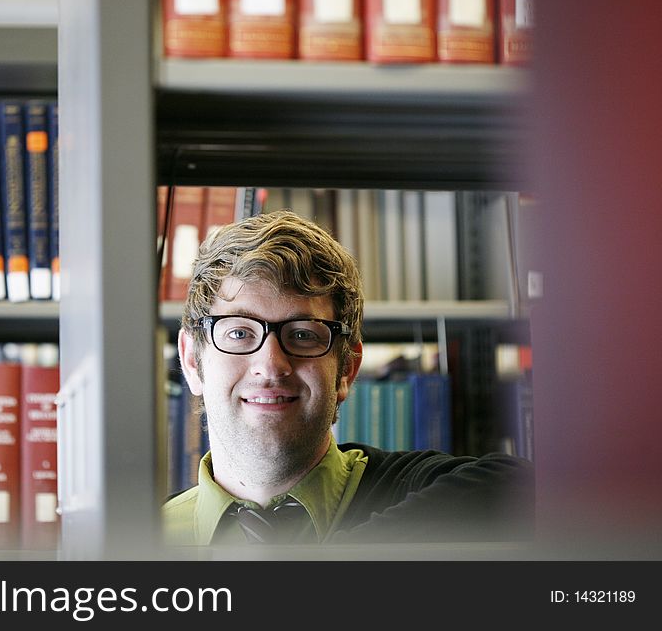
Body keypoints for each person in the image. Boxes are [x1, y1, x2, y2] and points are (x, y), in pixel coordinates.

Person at [162, 209, 534, 546]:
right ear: (192, 360)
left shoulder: (413, 493)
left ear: (347, 369)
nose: (271, 364)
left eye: (304, 334)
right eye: (239, 333)